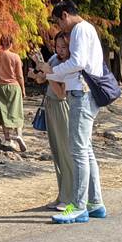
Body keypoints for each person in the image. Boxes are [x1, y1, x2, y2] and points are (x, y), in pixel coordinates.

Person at [36, 0, 106, 224]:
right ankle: (95, 203)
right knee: (86, 150)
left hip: (81, 94)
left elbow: (77, 62)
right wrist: (52, 73)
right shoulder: (86, 29)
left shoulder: (79, 30)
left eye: (58, 22)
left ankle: (78, 206)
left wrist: (50, 72)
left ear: (65, 15)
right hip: (85, 93)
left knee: (77, 150)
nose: (59, 28)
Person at [29, 32, 76, 211]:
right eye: (58, 47)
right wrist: (38, 70)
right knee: (56, 152)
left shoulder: (68, 64)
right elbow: (43, 78)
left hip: (61, 106)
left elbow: (61, 92)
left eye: (64, 47)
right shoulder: (55, 59)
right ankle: (62, 194)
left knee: (65, 151)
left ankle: (70, 196)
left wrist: (47, 74)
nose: (61, 50)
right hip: (50, 105)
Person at [0, 36, 27, 152]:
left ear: (1, 44)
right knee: (17, 111)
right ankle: (19, 135)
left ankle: (8, 139)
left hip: (0, 86)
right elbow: (20, 76)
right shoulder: (15, 57)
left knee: (3, 111)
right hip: (14, 86)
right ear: (11, 44)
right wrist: (23, 90)